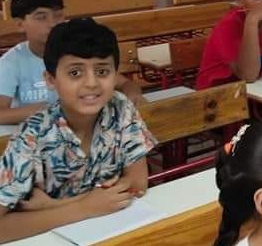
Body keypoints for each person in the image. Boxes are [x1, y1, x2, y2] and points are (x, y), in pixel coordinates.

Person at [0, 18, 156, 242]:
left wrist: (54, 206)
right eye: (75, 73)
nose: (91, 83)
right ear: (51, 80)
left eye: (102, 71)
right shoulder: (32, 136)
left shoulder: (121, 108)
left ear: (115, 75)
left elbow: (138, 182)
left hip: (111, 233)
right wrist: (83, 208)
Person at [0, 0, 144, 125]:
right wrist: (41, 111)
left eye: (58, 15)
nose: (52, 23)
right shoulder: (11, 62)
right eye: (41, 17)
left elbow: (125, 83)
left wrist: (132, 93)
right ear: (20, 24)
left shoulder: (76, 49)